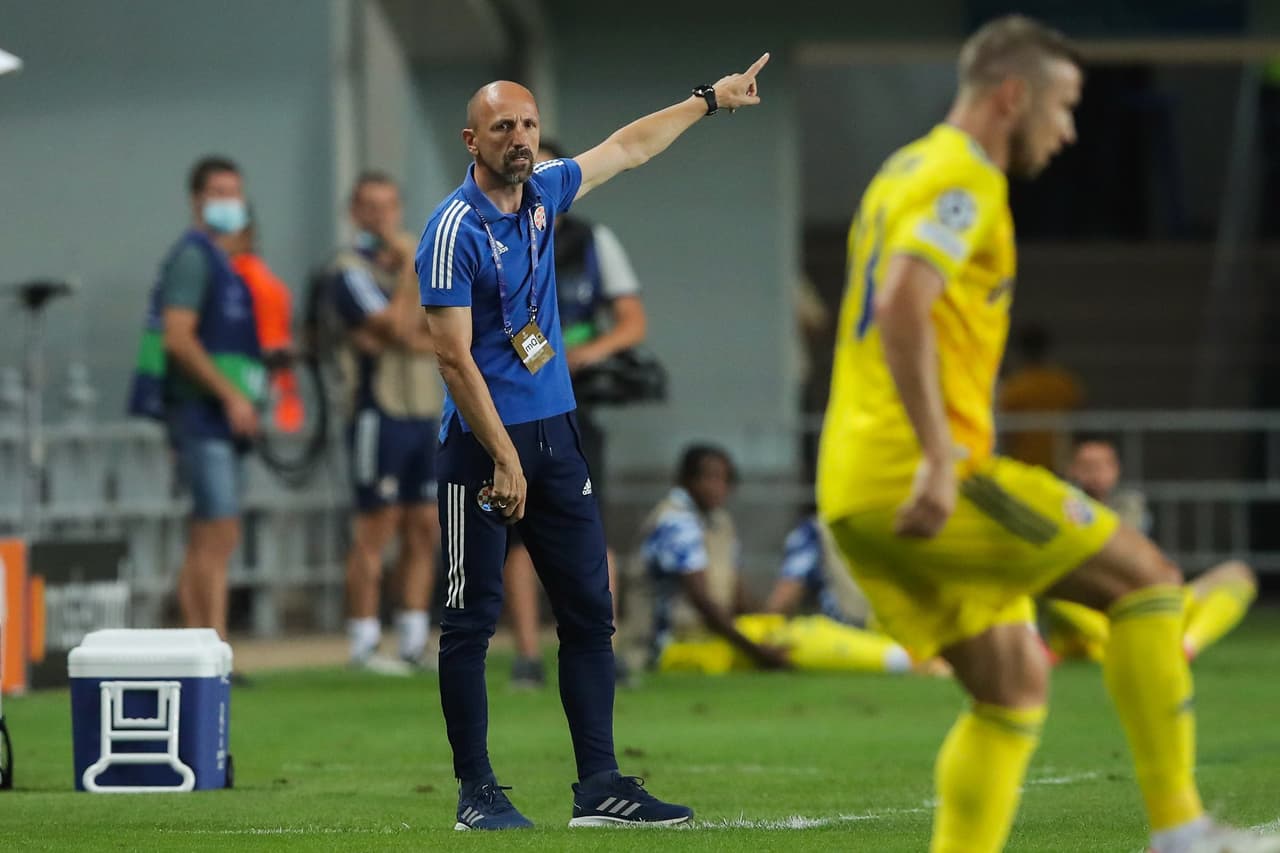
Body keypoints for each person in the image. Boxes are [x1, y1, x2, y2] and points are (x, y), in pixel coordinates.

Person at [815, 16, 1277, 853]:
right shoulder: (966, 178)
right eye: (1064, 107)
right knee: (1147, 577)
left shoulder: (899, 172)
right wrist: (935, 458)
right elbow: (905, 306)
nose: (1068, 133)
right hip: (918, 472)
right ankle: (1182, 830)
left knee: (1014, 682)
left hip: (851, 488)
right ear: (1012, 95)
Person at [417, 56, 770, 830]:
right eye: (503, 126)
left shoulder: (545, 193)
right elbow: (451, 356)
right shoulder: (451, 232)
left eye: (529, 125)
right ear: (471, 139)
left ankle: (600, 787)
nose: (520, 138)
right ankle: (477, 792)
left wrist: (707, 100)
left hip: (558, 439)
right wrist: (503, 454)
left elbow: (629, 146)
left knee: (588, 614)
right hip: (481, 448)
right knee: (469, 620)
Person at [504, 138, 648, 689]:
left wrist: (588, 354)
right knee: (520, 531)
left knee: (590, 525)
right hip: (516, 404)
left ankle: (598, 649)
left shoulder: (592, 241)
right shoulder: (498, 235)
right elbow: (507, 322)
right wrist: (548, 359)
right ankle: (526, 655)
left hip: (578, 406)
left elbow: (632, 320)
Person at [130, 156, 263, 641]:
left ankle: (203, 645)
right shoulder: (193, 257)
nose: (230, 202)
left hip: (217, 415)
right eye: (220, 192)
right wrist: (231, 395)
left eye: (235, 192)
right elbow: (178, 339)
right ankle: (212, 645)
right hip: (200, 413)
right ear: (198, 199)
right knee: (217, 529)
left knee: (213, 533)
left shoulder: (222, 262)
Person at [330, 172, 442, 674]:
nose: (381, 216)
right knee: (377, 526)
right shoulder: (348, 271)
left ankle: (414, 639)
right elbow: (397, 327)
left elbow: (445, 330)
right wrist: (411, 275)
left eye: (389, 206)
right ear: (354, 213)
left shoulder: (419, 264)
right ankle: (363, 641)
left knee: (425, 528)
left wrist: (418, 335)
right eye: (370, 207)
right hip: (381, 409)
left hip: (427, 410)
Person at [1043, 436, 1258, 664]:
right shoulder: (1056, 503)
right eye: (1087, 467)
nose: (1096, 474)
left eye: (1104, 466)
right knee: (1049, 585)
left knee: (1238, 573)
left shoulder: (1130, 503)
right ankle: (1132, 647)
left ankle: (1185, 646)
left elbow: (1121, 552)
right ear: (1071, 470)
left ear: (1116, 470)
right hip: (1089, 609)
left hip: (1146, 602)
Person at [624, 445, 789, 673]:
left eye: (724, 479)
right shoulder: (676, 520)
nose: (718, 488)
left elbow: (738, 596)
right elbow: (702, 602)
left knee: (791, 640)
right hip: (665, 646)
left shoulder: (720, 521)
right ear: (687, 480)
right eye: (710, 478)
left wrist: (770, 624)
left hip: (712, 636)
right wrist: (757, 652)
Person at [997, 324, 1084, 471]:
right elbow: (1080, 421)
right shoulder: (1063, 382)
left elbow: (1005, 432)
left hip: (1024, 462)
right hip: (1057, 461)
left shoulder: (1014, 386)